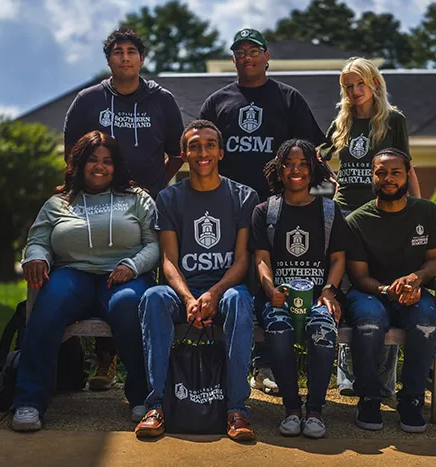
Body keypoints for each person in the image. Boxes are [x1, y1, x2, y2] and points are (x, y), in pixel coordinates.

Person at [200, 28, 326, 395]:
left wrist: (321, 194)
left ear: (267, 56)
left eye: (254, 50)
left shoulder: (287, 98)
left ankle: (266, 362)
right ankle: (223, 359)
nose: (247, 56)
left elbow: (312, 151)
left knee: (269, 284)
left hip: (277, 212)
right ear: (234, 58)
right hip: (227, 209)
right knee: (233, 283)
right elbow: (202, 151)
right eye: (239, 51)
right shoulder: (218, 101)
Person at [11, 131, 159, 432]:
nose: (100, 167)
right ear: (79, 164)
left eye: (107, 161)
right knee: (48, 305)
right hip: (72, 273)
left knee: (128, 305)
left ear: (116, 166)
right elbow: (38, 240)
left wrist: (132, 266)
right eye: (92, 160)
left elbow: (155, 243)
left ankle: (143, 398)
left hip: (122, 275)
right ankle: (29, 400)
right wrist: (36, 257)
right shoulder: (59, 202)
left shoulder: (137, 198)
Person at [63, 27, 184, 390]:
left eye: (132, 51)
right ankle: (105, 359)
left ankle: (157, 356)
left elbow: (178, 153)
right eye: (118, 52)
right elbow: (72, 154)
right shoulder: (88, 100)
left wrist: (156, 185)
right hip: (99, 204)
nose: (126, 57)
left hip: (147, 204)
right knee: (105, 272)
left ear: (142, 59)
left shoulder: (161, 100)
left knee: (152, 275)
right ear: (109, 60)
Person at [134, 120, 258, 441]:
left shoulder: (243, 196)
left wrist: (215, 293)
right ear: (184, 153)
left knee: (240, 300)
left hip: (225, 290)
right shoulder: (169, 198)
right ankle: (156, 405)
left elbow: (243, 260)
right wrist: (189, 299)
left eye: (209, 145)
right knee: (153, 297)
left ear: (221, 151)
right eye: (194, 146)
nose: (202, 152)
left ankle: (237, 410)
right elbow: (169, 262)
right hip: (184, 294)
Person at [320, 57, 422, 397]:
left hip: (381, 212)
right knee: (347, 292)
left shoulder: (392, 120)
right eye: (347, 86)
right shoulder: (342, 122)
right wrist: (333, 180)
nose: (353, 91)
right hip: (345, 211)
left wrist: (416, 213)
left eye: (359, 84)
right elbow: (318, 155)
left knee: (384, 291)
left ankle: (383, 380)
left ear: (374, 83)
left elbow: (407, 168)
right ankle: (348, 377)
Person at [344, 148, 436, 433]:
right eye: (381, 172)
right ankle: (369, 397)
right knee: (369, 323)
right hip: (369, 293)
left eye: (395, 172)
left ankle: (411, 400)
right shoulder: (357, 221)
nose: (388, 178)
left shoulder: (427, 211)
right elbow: (359, 276)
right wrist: (389, 289)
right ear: (372, 176)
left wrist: (415, 279)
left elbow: (435, 259)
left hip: (413, 292)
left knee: (426, 322)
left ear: (407, 174)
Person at [251, 139, 347, 438]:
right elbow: (262, 260)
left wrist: (329, 291)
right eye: (288, 165)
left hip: (319, 296)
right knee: (278, 331)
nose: (296, 170)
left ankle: (315, 410)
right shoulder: (265, 211)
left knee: (322, 330)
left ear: (313, 169)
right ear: (278, 171)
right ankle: (292, 409)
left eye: (302, 164)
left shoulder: (329, 211)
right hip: (278, 299)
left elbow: (338, 258)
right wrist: (270, 291)